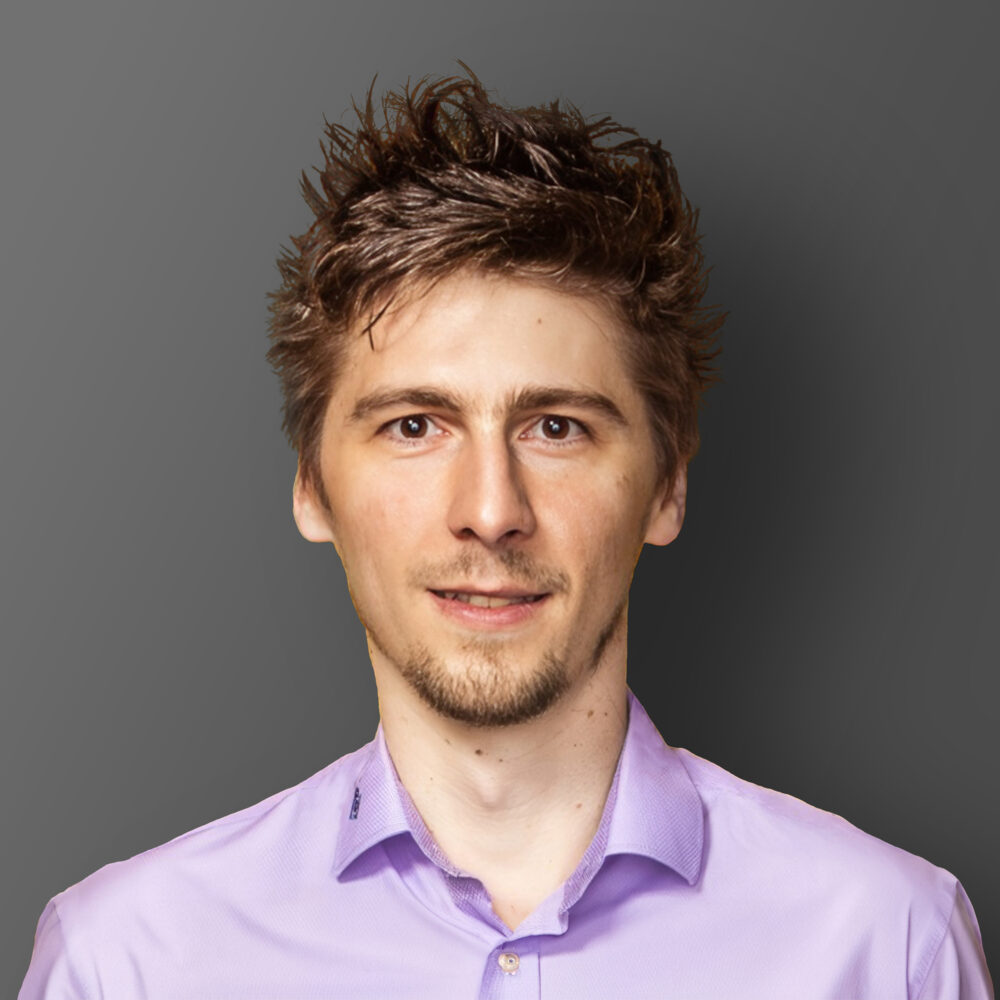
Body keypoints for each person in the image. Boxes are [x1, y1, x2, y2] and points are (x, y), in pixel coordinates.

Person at [19, 72, 993, 1000]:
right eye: (415, 426)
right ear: (312, 486)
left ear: (668, 486)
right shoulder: (130, 963)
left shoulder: (885, 944)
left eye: (556, 428)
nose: (490, 511)